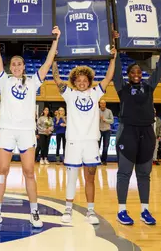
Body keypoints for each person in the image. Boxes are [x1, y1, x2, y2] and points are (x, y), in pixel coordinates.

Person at [0, 16, 60, 228]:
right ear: (10, 67)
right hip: (7, 130)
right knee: (2, 170)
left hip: (27, 131)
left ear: (24, 66)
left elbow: (47, 62)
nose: (17, 66)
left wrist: (55, 40)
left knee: (29, 171)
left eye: (20, 63)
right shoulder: (4, 80)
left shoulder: (34, 81)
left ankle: (34, 212)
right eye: (14, 64)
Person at [51, 45, 117, 224]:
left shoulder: (96, 93)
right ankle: (68, 209)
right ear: (74, 81)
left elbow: (109, 77)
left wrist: (113, 58)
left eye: (84, 80)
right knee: (72, 177)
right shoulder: (69, 94)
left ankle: (90, 211)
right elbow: (56, 79)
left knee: (90, 177)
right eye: (78, 80)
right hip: (73, 141)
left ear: (89, 81)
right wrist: (55, 60)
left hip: (90, 142)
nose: (82, 82)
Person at [113, 31, 161, 226]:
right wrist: (116, 47)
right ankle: (121, 210)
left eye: (139, 72)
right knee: (124, 173)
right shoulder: (122, 88)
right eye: (132, 72)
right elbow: (116, 71)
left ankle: (145, 210)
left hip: (147, 132)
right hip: (127, 132)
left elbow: (160, 68)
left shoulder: (149, 86)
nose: (136, 74)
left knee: (144, 174)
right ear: (128, 76)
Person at [99, 100, 114, 165]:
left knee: (106, 146)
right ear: (99, 104)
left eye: (104, 103)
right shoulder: (96, 111)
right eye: (101, 103)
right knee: (97, 146)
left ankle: (104, 160)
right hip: (98, 130)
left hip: (107, 130)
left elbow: (112, 121)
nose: (103, 104)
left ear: (105, 104)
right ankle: (97, 160)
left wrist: (104, 119)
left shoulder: (109, 111)